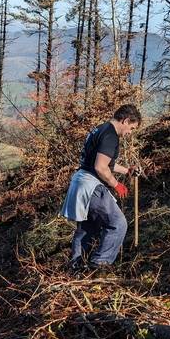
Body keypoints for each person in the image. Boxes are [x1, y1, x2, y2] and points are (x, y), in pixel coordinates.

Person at [61, 104, 143, 271]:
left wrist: (127, 170)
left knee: (87, 228)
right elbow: (100, 167)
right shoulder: (111, 135)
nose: (130, 133)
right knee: (118, 224)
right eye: (132, 128)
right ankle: (100, 265)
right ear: (125, 120)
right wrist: (116, 184)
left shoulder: (100, 129)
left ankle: (75, 267)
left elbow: (106, 163)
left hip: (80, 182)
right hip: (92, 186)